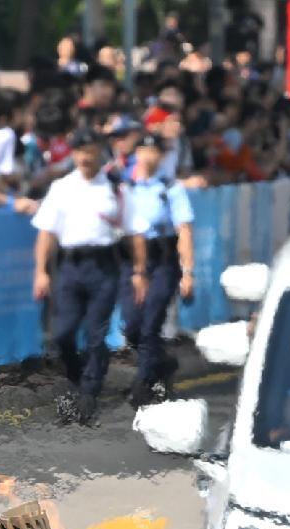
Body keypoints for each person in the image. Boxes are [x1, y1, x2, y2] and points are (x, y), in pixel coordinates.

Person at [30, 130, 129, 426]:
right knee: (63, 333)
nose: (85, 157)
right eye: (80, 152)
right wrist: (40, 271)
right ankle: (76, 377)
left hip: (103, 265)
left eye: (90, 150)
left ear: (99, 151)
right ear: (73, 155)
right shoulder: (61, 187)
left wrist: (137, 270)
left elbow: (131, 228)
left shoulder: (114, 187)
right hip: (70, 267)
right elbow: (46, 232)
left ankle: (89, 392)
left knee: (96, 334)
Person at [115, 125, 194, 406]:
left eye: (154, 151)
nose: (148, 156)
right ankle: (161, 362)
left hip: (162, 260)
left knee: (150, 324)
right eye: (144, 150)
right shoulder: (125, 187)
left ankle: (144, 384)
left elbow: (184, 229)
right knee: (132, 324)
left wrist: (187, 272)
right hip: (132, 262)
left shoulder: (170, 189)